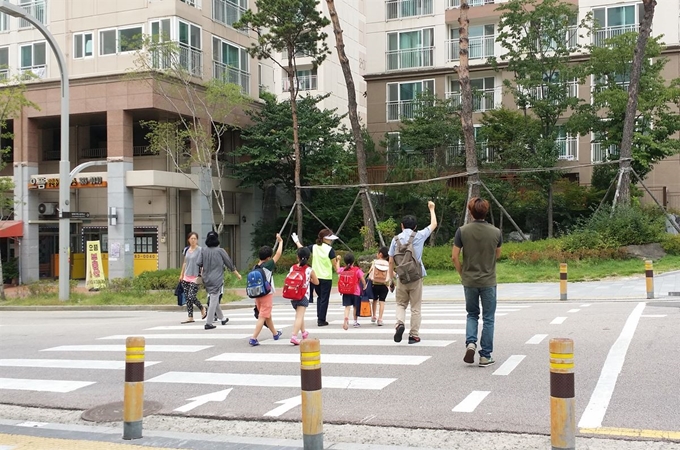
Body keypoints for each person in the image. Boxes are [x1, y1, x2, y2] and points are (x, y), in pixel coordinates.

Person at [452, 197, 502, 367]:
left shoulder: (462, 231)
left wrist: (463, 273)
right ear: (486, 211)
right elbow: (498, 254)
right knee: (488, 318)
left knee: (472, 314)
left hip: (470, 281)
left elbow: (454, 256)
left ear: (470, 211)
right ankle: (485, 355)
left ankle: (471, 343)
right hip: (488, 281)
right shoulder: (496, 232)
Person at [389, 201, 437, 344]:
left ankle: (400, 323)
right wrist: (432, 209)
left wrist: (391, 279)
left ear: (401, 226)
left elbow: (391, 260)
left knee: (400, 304)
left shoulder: (395, 239)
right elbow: (434, 224)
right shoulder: (420, 235)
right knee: (415, 307)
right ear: (415, 226)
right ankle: (413, 335)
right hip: (416, 276)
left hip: (401, 277)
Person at [197, 231, 242, 330]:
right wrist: (237, 274)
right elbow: (229, 264)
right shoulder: (221, 251)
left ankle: (222, 318)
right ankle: (208, 323)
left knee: (214, 298)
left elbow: (199, 262)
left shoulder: (203, 251)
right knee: (214, 299)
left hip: (206, 278)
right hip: (217, 279)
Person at [292, 229, 337, 327]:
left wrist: (296, 241)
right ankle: (321, 320)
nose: (331, 240)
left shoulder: (314, 247)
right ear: (325, 239)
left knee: (319, 297)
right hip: (326, 277)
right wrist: (338, 262)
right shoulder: (330, 250)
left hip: (315, 276)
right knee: (324, 298)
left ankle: (319, 317)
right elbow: (335, 266)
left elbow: (303, 249)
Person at [248, 234, 284, 346]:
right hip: (266, 295)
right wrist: (280, 241)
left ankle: (275, 333)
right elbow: (278, 254)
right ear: (268, 257)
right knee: (263, 317)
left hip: (257, 295)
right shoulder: (268, 265)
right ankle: (253, 338)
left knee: (267, 315)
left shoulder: (256, 267)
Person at [288, 247, 319, 345]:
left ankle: (304, 332)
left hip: (292, 294)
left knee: (299, 315)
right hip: (303, 295)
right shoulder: (309, 270)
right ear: (308, 258)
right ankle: (294, 336)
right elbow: (317, 282)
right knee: (299, 316)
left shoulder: (292, 267)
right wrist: (310, 280)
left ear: (297, 257)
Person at [178, 232, 206, 324]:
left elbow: (203, 263)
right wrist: (181, 275)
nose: (193, 240)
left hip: (195, 276)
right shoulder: (186, 250)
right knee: (187, 298)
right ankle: (190, 316)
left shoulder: (200, 250)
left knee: (191, 296)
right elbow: (185, 263)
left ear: (197, 240)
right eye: (191, 238)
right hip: (186, 276)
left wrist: (201, 274)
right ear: (188, 240)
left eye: (195, 238)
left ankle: (202, 308)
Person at [334, 253, 366, 330]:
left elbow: (337, 269)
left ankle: (346, 318)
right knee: (355, 307)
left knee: (347, 307)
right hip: (356, 292)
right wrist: (364, 286)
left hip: (346, 291)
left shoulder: (343, 269)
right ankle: (355, 322)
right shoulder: (357, 270)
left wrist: (338, 260)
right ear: (353, 261)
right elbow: (362, 280)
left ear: (345, 262)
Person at [367, 246, 391, 326]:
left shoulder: (375, 262)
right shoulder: (388, 263)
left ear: (380, 254)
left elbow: (370, 271)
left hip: (375, 284)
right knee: (382, 302)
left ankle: (374, 316)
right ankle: (380, 319)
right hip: (384, 285)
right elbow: (391, 273)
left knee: (374, 300)